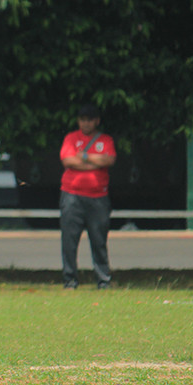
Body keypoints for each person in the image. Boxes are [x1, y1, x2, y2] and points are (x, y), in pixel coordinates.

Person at [59, 104, 117, 289]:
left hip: (98, 197)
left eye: (90, 120)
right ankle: (69, 280)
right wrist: (95, 161)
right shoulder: (70, 138)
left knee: (99, 240)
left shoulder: (105, 140)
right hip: (71, 196)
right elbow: (68, 160)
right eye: (82, 119)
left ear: (96, 121)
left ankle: (103, 280)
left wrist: (83, 156)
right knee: (69, 240)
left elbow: (109, 160)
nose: (86, 123)